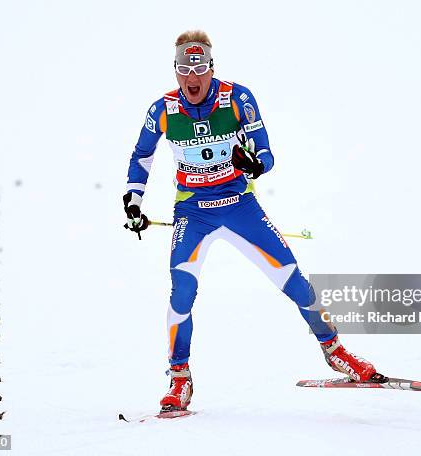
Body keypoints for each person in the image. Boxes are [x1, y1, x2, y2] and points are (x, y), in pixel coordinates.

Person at [123, 30, 385, 413]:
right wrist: (133, 200)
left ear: (211, 68)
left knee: (294, 281)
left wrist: (255, 163)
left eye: (198, 69)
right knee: (181, 292)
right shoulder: (162, 109)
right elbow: (142, 156)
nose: (191, 79)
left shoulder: (236, 98)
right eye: (183, 69)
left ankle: (336, 351)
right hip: (193, 213)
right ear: (175, 71)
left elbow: (265, 151)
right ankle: (179, 378)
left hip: (239, 206)